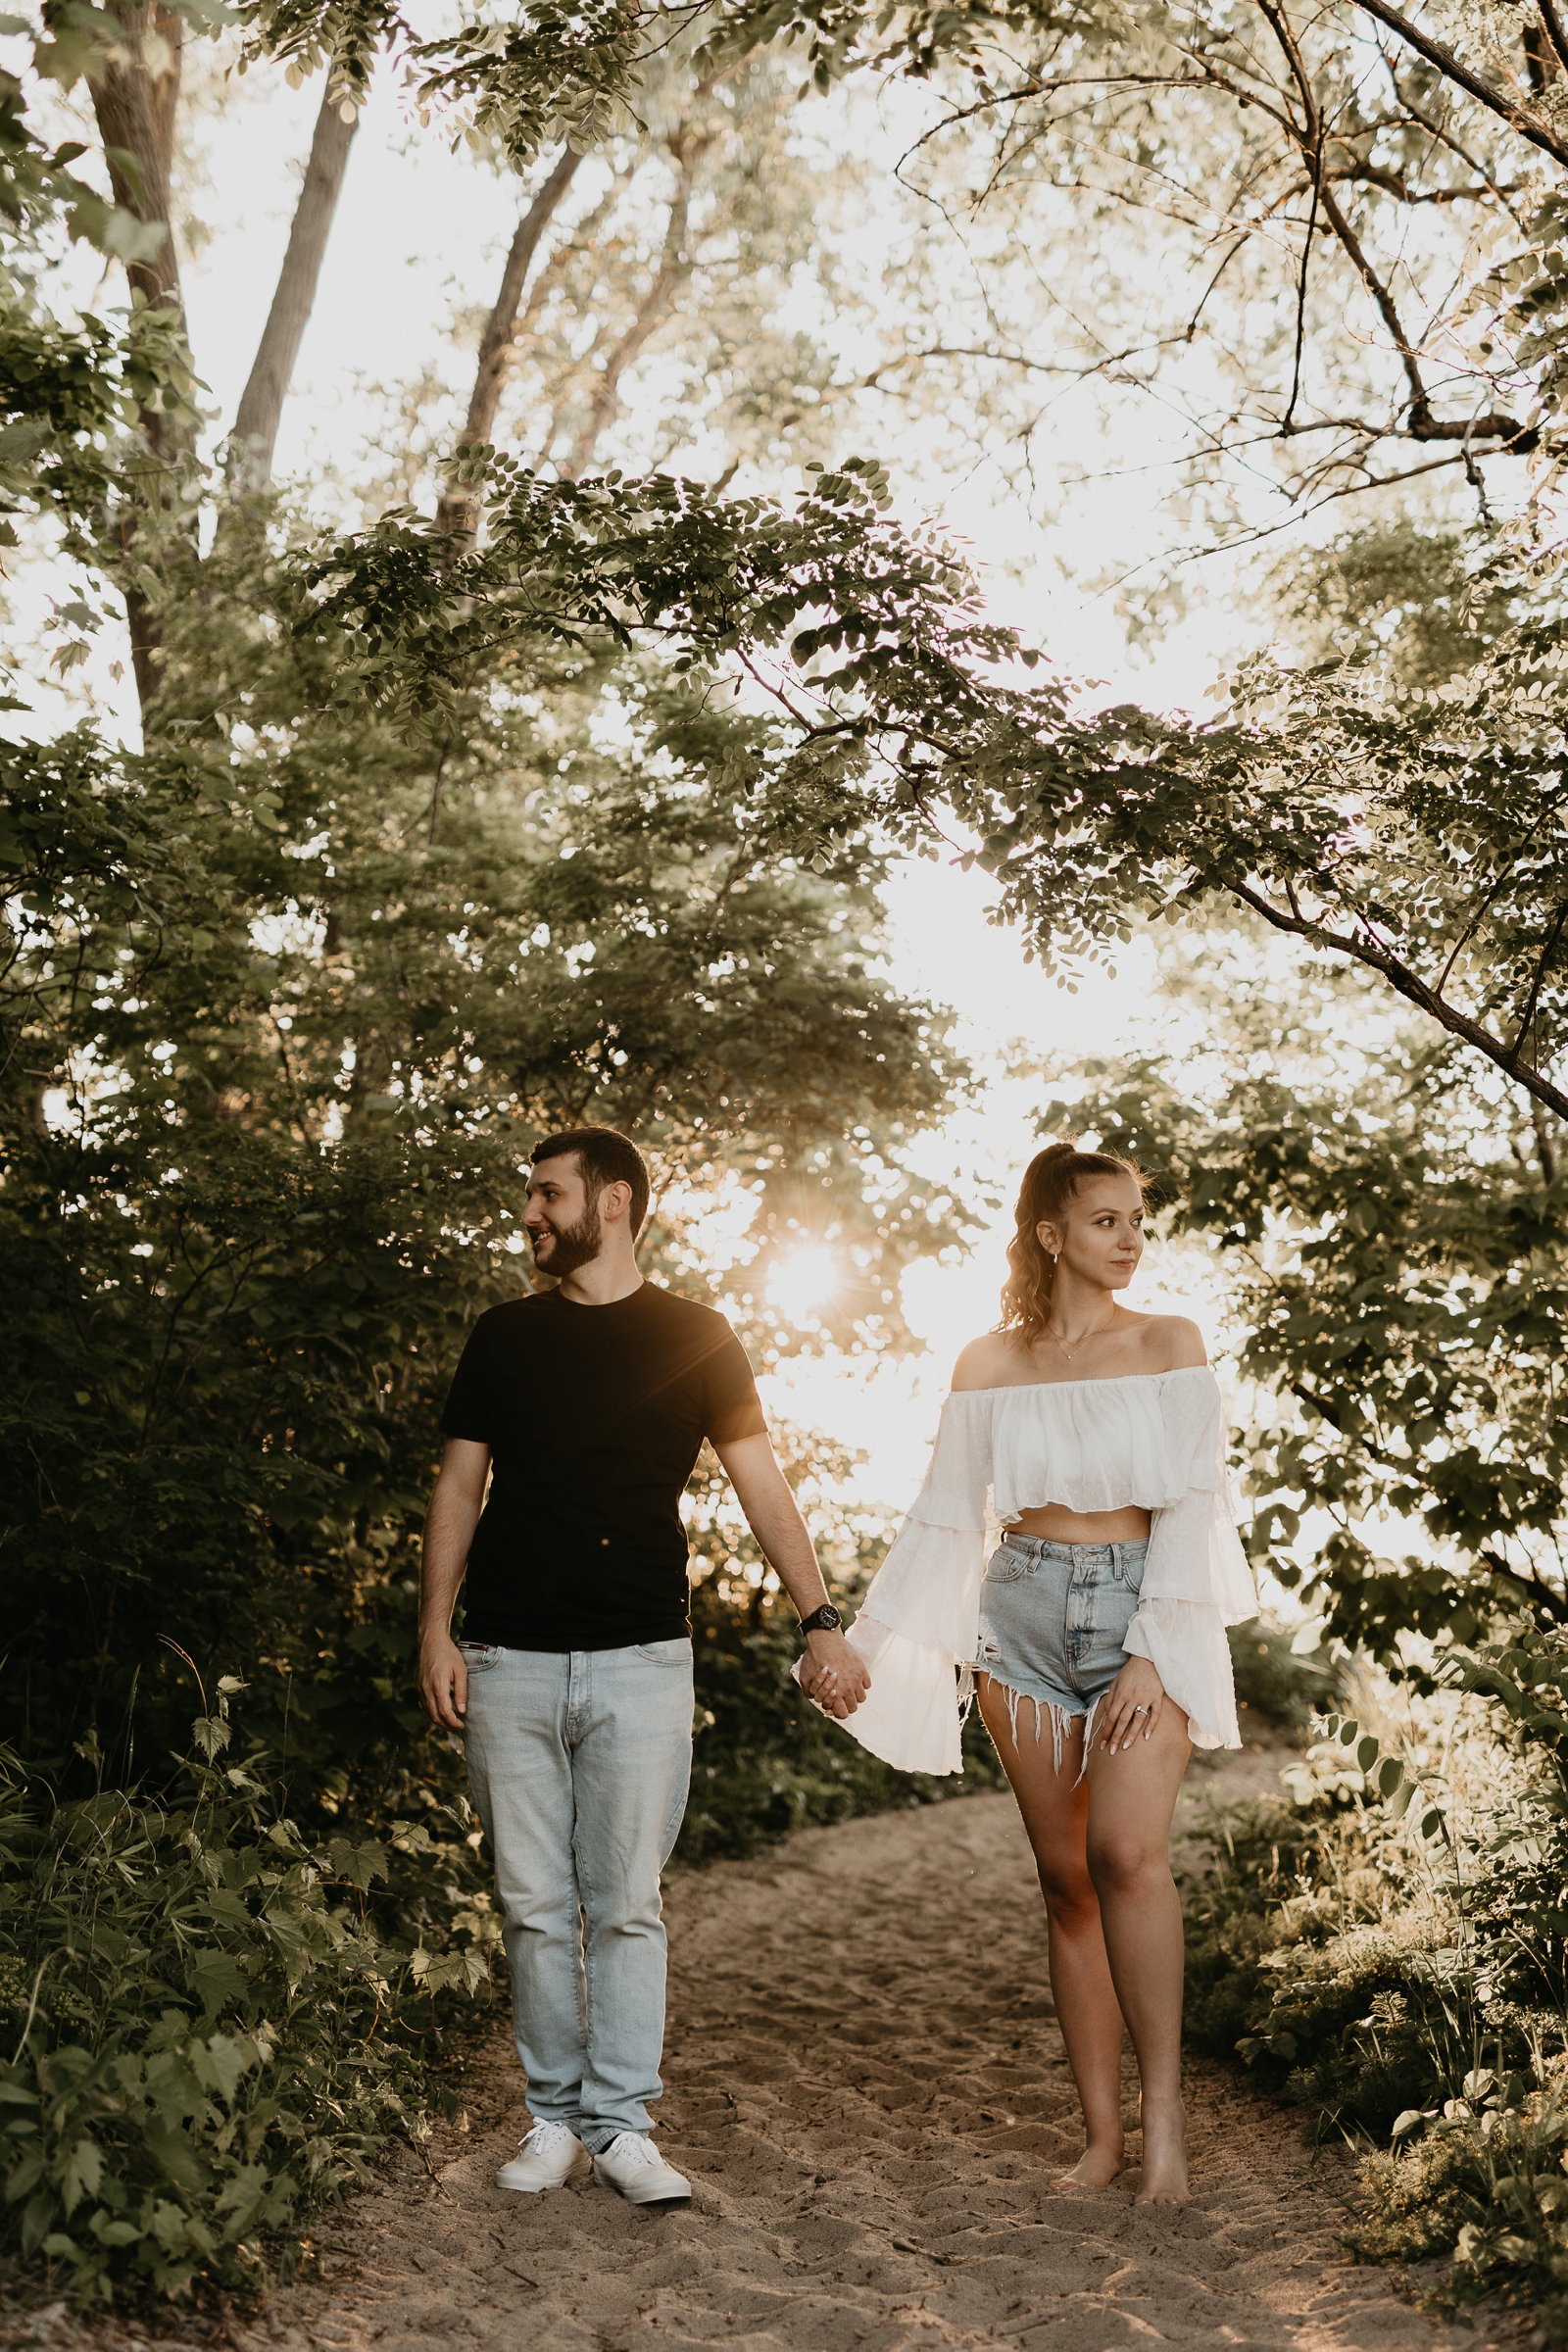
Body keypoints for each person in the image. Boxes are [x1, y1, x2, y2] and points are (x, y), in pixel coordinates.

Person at [418, 1125, 870, 2206]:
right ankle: (551, 2121)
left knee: (623, 1905)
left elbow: (762, 1484)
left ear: (610, 1203)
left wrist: (821, 1616)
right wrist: (434, 1628)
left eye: (546, 1195)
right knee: (533, 1906)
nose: (530, 1214)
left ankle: (620, 2127)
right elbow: (457, 1487)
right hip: (507, 1658)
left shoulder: (699, 1337)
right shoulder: (504, 1336)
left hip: (642, 1662)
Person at [799, 1142, 1253, 2205]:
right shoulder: (987, 1364)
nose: (1131, 1236)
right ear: (1050, 1235)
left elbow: (1193, 1502)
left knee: (1129, 1854)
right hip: (1022, 1617)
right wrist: (857, 1645)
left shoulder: (1170, 1341)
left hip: (1145, 1606)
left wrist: (1149, 1647)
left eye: (1137, 1218)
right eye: (1106, 1220)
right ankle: (1100, 2139)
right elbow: (944, 1520)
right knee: (1066, 1885)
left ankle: (1166, 2129)